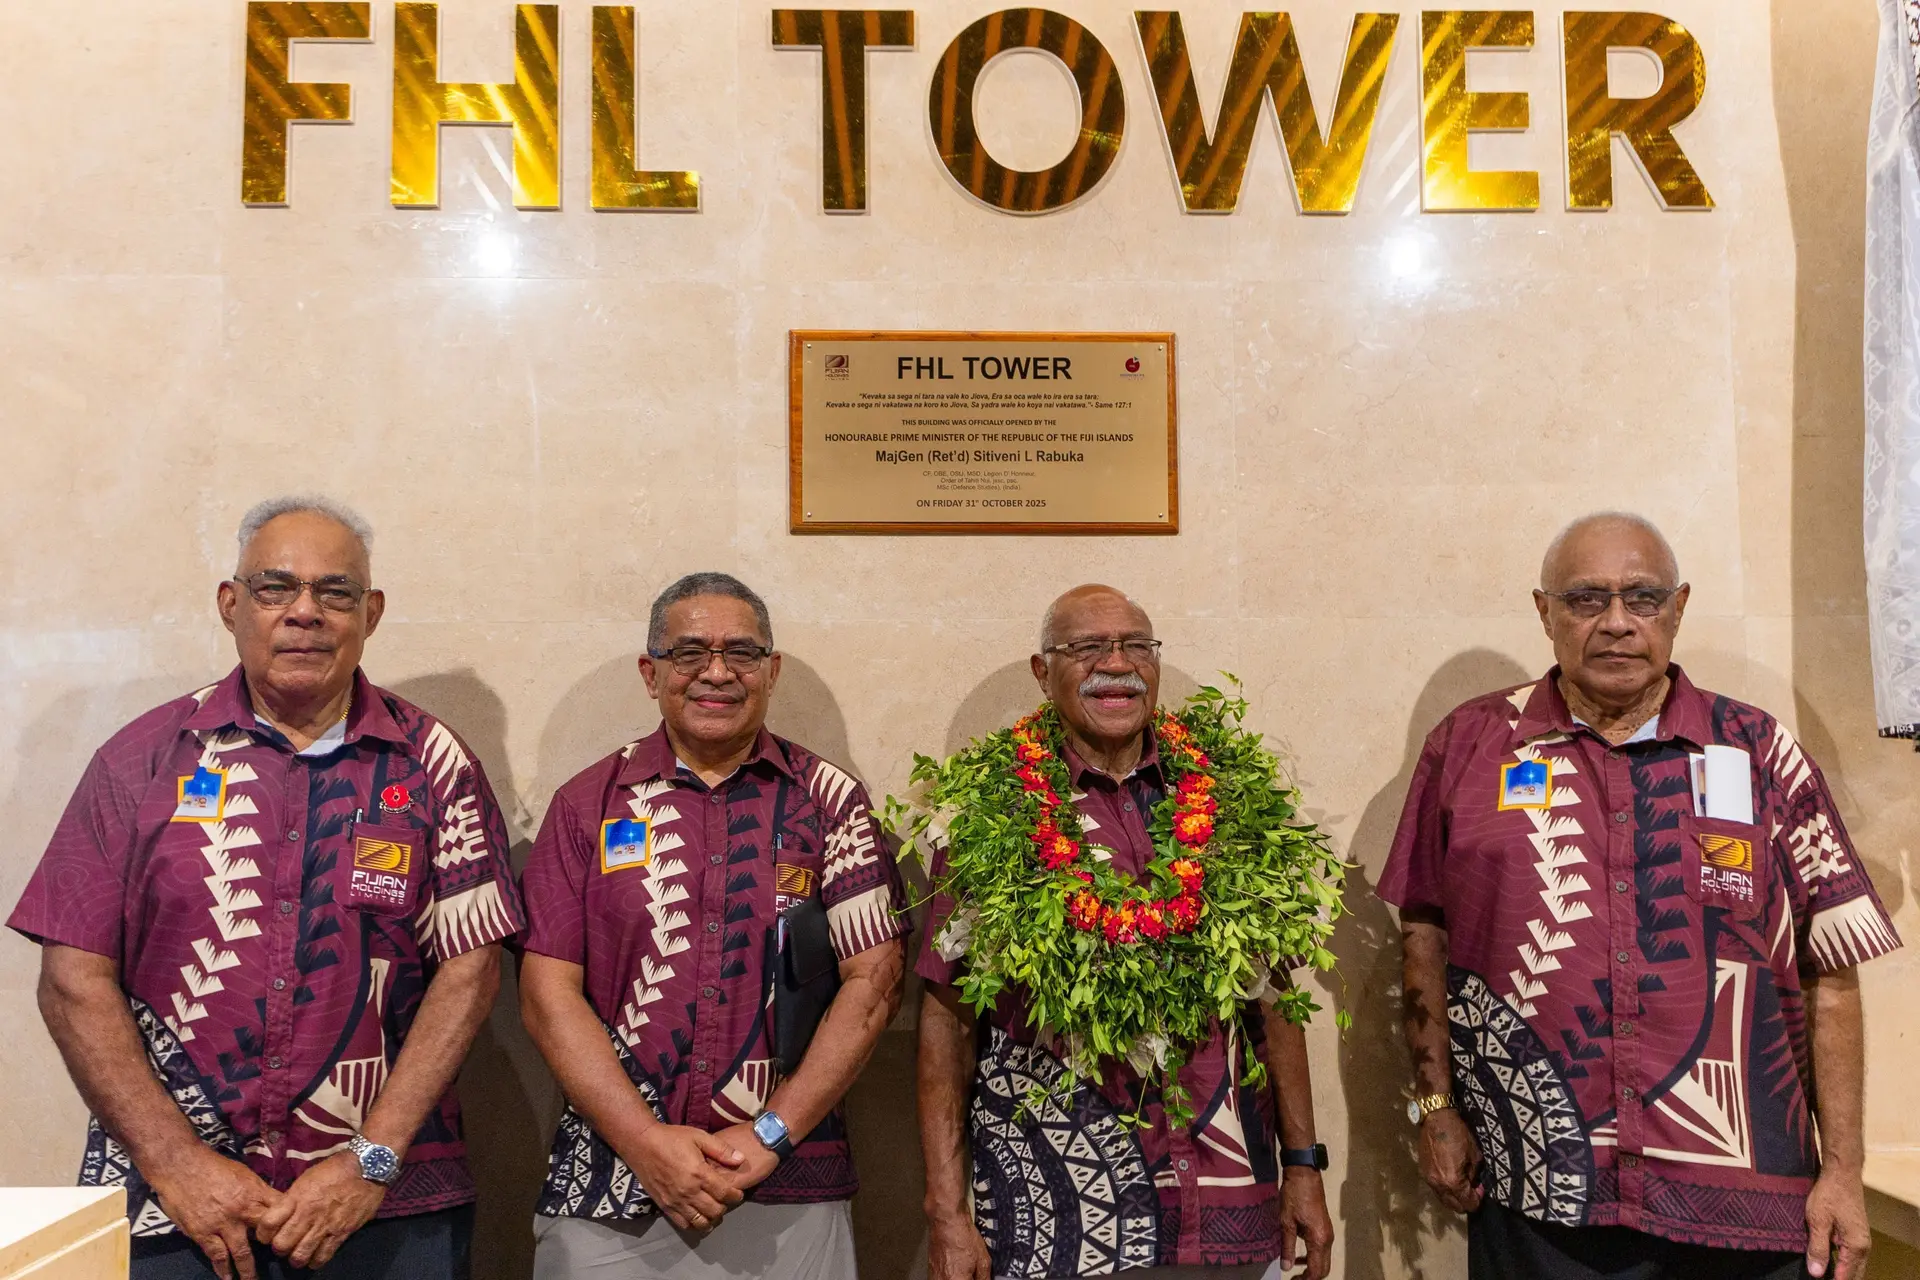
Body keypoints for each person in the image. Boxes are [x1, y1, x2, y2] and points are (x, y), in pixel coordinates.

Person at [9, 496, 524, 1280]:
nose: (305, 613)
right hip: (163, 1203)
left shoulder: (435, 763)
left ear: (372, 613)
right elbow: (72, 978)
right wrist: (177, 1162)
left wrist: (371, 1161)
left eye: (336, 592)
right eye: (275, 588)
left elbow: (470, 968)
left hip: (388, 1206)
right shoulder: (141, 758)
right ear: (231, 605)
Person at [1381, 511, 1900, 1280]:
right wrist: (1434, 1107)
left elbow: (1831, 975)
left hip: (1746, 1207)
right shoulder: (1469, 745)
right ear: (1544, 611)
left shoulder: (1759, 751)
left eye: (1644, 598)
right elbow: (1423, 931)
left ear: (1680, 608)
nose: (1617, 623)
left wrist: (1844, 1174)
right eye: (1587, 599)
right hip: (1539, 1198)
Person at [917, 584, 1336, 1280]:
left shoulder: (1235, 799)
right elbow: (946, 1023)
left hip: (1229, 1200)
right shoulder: (984, 816)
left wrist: (1303, 1168)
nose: (1117, 664)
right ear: (1040, 669)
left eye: (1136, 645)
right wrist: (945, 1211)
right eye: (1086, 647)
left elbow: (1276, 1002)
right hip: (1059, 1209)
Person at [518, 571, 907, 1279]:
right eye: (690, 653)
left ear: (772, 669)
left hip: (787, 1186)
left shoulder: (832, 802)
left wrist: (769, 1135)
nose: (717, 673)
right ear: (651, 672)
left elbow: (874, 983)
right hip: (609, 1189)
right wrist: (644, 1143)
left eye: (743, 654)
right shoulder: (587, 804)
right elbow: (547, 995)